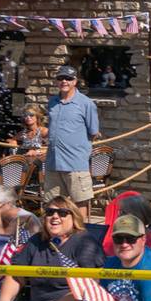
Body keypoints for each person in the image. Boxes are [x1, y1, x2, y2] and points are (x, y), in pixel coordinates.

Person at [44, 65, 101, 204]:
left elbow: (93, 133)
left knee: (80, 203)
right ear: (57, 81)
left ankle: (79, 227)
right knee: (53, 204)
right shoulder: (52, 102)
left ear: (75, 81)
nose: (64, 81)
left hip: (76, 164)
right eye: (61, 78)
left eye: (68, 78)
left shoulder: (86, 104)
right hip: (53, 163)